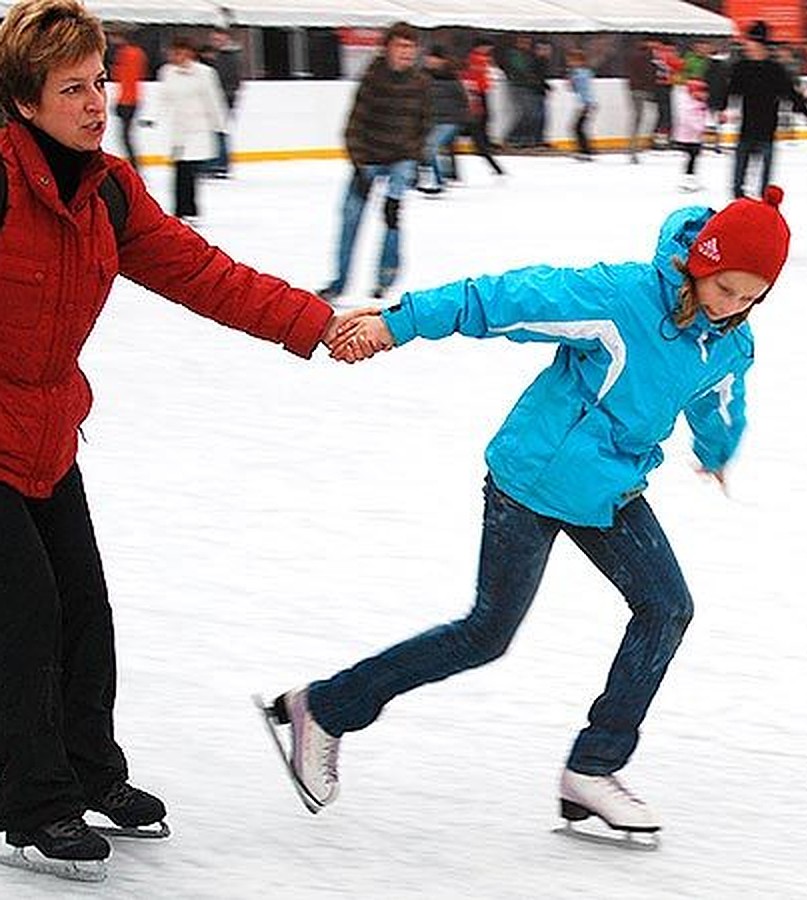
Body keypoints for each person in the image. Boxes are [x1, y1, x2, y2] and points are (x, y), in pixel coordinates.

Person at [262, 187, 793, 840]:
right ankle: (327, 706)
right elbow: (505, 298)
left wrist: (718, 451)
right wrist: (396, 324)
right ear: (701, 263)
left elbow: (716, 400)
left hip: (610, 492)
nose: (735, 306)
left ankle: (593, 769)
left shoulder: (730, 341)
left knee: (667, 607)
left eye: (751, 296)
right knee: (487, 632)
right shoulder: (623, 297)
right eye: (728, 288)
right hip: (532, 479)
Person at [0, 0, 370, 882]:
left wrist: (316, 323)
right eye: (73, 89)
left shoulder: (108, 190)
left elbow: (205, 274)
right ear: (22, 101)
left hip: (48, 429)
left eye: (98, 83)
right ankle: (31, 803)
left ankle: (89, 774)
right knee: (24, 617)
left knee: (85, 614)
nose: (97, 103)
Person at [317, 22, 431, 303]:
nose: (406, 53)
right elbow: (355, 123)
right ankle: (339, 283)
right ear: (387, 48)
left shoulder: (421, 83)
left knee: (392, 214)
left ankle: (385, 277)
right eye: (400, 46)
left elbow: (425, 126)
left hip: (402, 158)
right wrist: (359, 165)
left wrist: (415, 159)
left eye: (410, 48)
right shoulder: (372, 78)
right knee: (350, 217)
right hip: (368, 157)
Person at [724, 20, 807, 199]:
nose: (746, 46)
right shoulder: (741, 68)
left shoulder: (775, 71)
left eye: (750, 42)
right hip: (746, 131)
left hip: (767, 132)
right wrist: (720, 108)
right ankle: (740, 213)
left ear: (759, 44)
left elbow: (795, 99)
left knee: (765, 188)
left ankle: (763, 215)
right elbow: (729, 92)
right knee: (737, 185)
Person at [157, 37, 226, 223]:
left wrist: (220, 124)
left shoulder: (204, 73)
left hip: (197, 127)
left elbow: (213, 98)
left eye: (178, 52)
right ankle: (182, 209)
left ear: (189, 53)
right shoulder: (167, 72)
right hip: (178, 128)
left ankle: (188, 210)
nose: (174, 56)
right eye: (172, 53)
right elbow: (164, 98)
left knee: (188, 169)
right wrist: (154, 118)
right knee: (180, 168)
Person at [419, 45, 467, 194]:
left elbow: (462, 99)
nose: (431, 61)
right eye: (429, 58)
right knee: (427, 149)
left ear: (442, 60)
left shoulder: (451, 77)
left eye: (435, 58)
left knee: (430, 147)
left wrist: (462, 119)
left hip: (449, 120)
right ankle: (435, 178)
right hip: (430, 120)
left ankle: (437, 181)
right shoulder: (421, 76)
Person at [461, 37, 505, 177]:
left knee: (486, 117)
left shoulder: (483, 59)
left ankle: (483, 141)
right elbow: (471, 77)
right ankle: (482, 142)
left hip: (481, 92)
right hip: (476, 93)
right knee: (480, 121)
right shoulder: (473, 60)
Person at [106, 26, 145, 173]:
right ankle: (134, 163)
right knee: (126, 135)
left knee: (125, 136)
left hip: (126, 100)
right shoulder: (139, 54)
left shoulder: (124, 54)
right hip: (133, 99)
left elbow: (118, 75)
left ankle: (133, 164)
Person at [206, 28, 242, 178]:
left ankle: (220, 164)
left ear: (226, 39)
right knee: (214, 131)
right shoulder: (219, 57)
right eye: (214, 40)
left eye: (218, 39)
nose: (216, 42)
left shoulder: (228, 57)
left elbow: (229, 79)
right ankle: (215, 162)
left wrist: (225, 95)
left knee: (219, 131)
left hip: (224, 98)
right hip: (218, 98)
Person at [625, 36, 657, 162]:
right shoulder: (646, 56)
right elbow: (649, 73)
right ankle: (633, 147)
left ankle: (634, 146)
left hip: (636, 89)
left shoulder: (635, 55)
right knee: (640, 118)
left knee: (640, 117)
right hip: (641, 89)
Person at [673, 78, 708, 191]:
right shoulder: (688, 105)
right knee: (691, 158)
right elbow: (688, 120)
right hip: (688, 137)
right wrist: (701, 128)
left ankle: (691, 178)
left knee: (694, 158)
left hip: (695, 137)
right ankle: (687, 180)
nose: (704, 94)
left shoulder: (699, 103)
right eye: (701, 92)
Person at [567, 47, 595, 161]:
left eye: (572, 60)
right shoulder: (581, 73)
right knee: (579, 128)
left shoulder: (581, 73)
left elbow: (576, 85)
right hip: (585, 103)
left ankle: (585, 150)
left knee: (577, 128)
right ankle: (585, 150)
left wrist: (572, 77)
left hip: (586, 103)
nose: (569, 63)